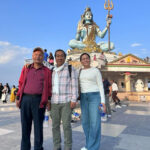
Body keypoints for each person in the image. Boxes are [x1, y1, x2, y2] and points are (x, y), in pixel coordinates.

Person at [16, 47, 52, 150]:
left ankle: (38, 147)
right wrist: (18, 97)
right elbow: (21, 82)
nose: (38, 57)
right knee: (25, 127)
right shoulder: (26, 68)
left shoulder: (47, 71)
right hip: (25, 100)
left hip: (39, 100)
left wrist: (48, 100)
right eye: (35, 55)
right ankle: (25, 148)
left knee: (38, 127)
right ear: (32, 56)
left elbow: (49, 86)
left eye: (40, 55)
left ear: (43, 57)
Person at [50, 49, 78, 150]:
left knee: (66, 126)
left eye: (61, 56)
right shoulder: (51, 70)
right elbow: (49, 87)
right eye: (57, 56)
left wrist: (74, 100)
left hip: (66, 101)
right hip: (54, 102)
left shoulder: (70, 69)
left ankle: (68, 147)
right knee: (55, 126)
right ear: (55, 58)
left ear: (65, 57)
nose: (59, 58)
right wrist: (48, 101)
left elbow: (74, 85)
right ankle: (56, 146)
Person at [79, 53, 106, 150]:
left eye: (87, 58)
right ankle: (89, 144)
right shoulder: (79, 71)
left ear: (90, 60)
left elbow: (100, 86)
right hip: (83, 97)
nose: (85, 60)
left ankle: (93, 147)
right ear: (81, 61)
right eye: (83, 59)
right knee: (85, 122)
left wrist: (103, 102)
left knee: (95, 122)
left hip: (94, 96)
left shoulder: (95, 70)